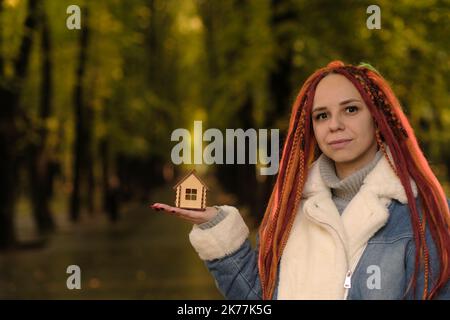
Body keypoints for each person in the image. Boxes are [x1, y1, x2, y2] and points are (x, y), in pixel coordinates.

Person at [151, 61, 450, 300]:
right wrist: (215, 225)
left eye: (350, 109)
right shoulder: (293, 210)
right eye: (321, 115)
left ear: (378, 118)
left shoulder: (423, 215)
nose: (334, 125)